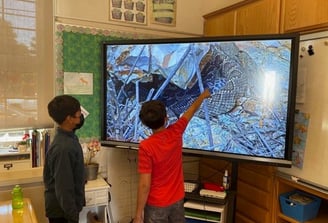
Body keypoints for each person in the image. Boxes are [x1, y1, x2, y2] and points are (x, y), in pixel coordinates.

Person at [133, 89, 211, 223]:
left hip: (156, 204)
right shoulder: (176, 131)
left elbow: (145, 185)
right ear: (166, 118)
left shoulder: (146, 146)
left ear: (144, 123)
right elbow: (191, 111)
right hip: (177, 199)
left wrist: (138, 214)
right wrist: (202, 96)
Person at [43, 95, 86, 223]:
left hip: (64, 209)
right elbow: (64, 188)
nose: (81, 116)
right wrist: (73, 216)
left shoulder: (68, 137)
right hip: (62, 213)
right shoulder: (63, 148)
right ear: (69, 119)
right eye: (79, 114)